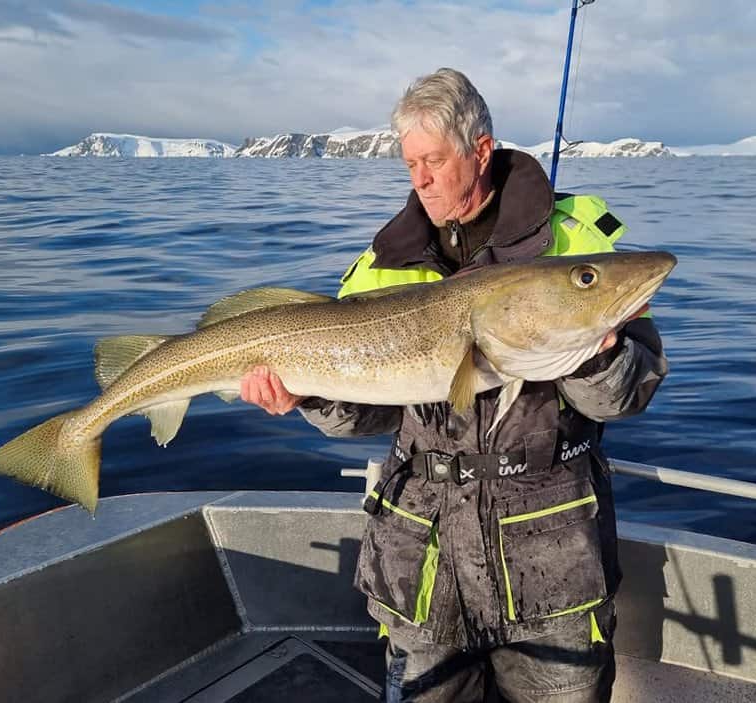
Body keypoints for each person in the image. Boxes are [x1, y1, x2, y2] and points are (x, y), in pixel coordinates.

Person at [240, 68, 669, 702]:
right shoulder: (382, 264)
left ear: (481, 151)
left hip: (551, 555)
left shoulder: (575, 245)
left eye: (434, 160)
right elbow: (367, 415)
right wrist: (308, 396)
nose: (420, 178)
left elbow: (628, 395)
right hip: (423, 554)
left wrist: (593, 348)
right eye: (411, 162)